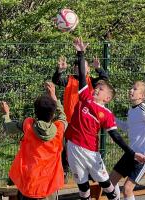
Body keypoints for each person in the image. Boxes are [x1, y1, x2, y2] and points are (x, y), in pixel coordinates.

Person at [65, 37, 145, 200]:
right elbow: (82, 75)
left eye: (100, 89)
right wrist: (80, 53)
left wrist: (131, 153)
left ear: (107, 98)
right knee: (82, 187)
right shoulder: (85, 97)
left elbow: (115, 136)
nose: (96, 90)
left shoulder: (106, 114)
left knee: (107, 186)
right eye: (96, 87)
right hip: (73, 146)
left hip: (91, 152)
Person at [0, 82, 67, 200]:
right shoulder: (59, 129)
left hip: (29, 183)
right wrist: (54, 97)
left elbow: (9, 128)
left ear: (35, 112)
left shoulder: (28, 125)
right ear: (52, 113)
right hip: (49, 184)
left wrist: (6, 114)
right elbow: (63, 117)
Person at [52, 53, 109, 183]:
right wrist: (59, 71)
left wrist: (99, 68)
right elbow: (56, 80)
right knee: (66, 147)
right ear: (74, 69)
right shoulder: (69, 79)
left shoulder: (91, 81)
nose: (80, 69)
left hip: (86, 122)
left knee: (89, 146)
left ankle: (91, 171)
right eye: (78, 67)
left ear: (88, 69)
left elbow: (105, 80)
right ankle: (64, 170)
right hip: (70, 121)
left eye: (84, 66)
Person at [109, 81, 145, 200]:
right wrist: (111, 118)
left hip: (143, 157)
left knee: (127, 189)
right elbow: (127, 127)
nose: (131, 90)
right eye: (131, 88)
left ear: (142, 96)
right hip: (131, 153)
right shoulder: (132, 110)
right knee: (110, 183)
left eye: (135, 89)